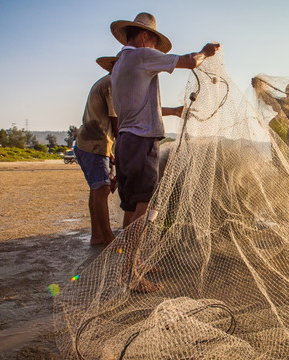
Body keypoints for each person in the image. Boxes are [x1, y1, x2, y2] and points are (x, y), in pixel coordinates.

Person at [110, 12, 220, 228]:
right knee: (145, 203)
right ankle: (132, 261)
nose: (154, 49)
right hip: (142, 141)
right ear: (143, 36)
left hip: (124, 142)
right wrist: (205, 53)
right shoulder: (141, 55)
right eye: (153, 42)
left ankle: (126, 259)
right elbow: (190, 61)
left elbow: (138, 105)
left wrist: (174, 111)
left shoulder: (119, 64)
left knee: (131, 205)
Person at [75, 56, 119, 246]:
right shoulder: (111, 84)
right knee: (102, 190)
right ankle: (108, 238)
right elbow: (116, 123)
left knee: (97, 190)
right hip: (95, 144)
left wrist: (110, 152)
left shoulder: (104, 82)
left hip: (89, 143)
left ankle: (97, 235)